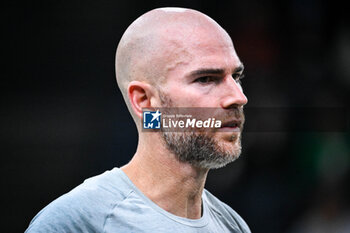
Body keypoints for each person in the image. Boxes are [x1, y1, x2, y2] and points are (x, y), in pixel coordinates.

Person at [25, 7, 250, 232]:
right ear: (144, 101)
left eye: (236, 76)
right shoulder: (76, 222)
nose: (238, 97)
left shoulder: (232, 225)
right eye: (206, 79)